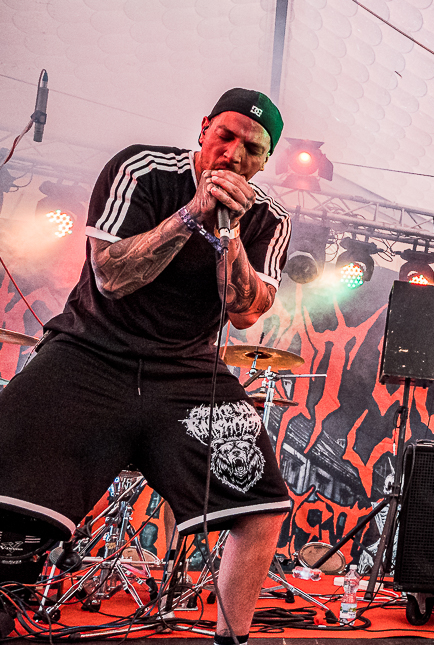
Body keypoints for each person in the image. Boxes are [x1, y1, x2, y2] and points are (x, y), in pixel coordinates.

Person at [0, 88, 293, 644]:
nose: (233, 154)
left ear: (264, 161)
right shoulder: (143, 169)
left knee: (263, 507)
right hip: (90, 350)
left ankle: (231, 639)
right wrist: (193, 214)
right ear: (203, 129)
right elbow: (111, 277)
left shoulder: (269, 219)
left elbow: (247, 312)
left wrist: (228, 231)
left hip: (186, 369)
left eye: (251, 148)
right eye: (225, 135)